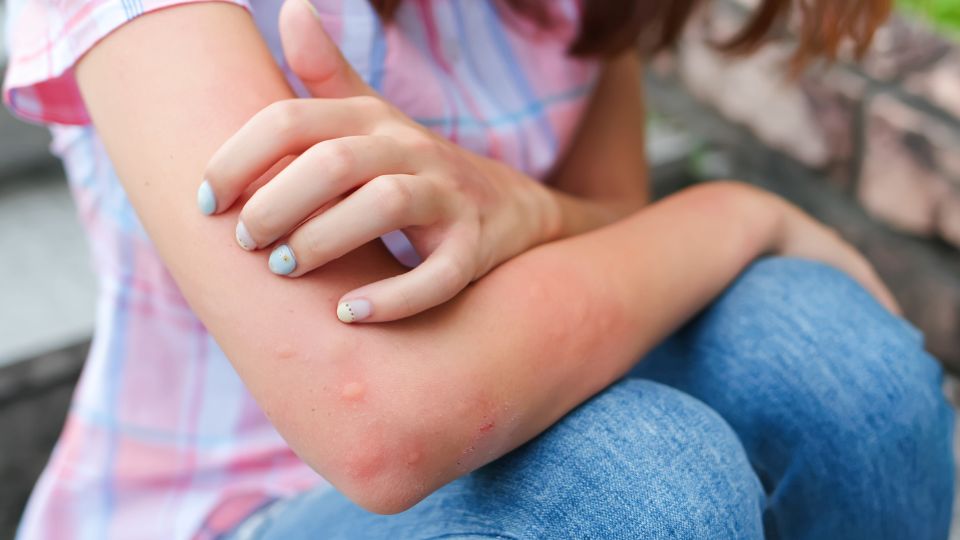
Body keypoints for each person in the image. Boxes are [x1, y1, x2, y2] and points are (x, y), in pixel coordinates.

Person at [3, 0, 953, 538]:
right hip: (216, 506)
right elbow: (381, 418)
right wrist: (739, 211)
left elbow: (612, 224)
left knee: (831, 359)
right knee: (638, 482)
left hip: (526, 390)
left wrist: (531, 207)